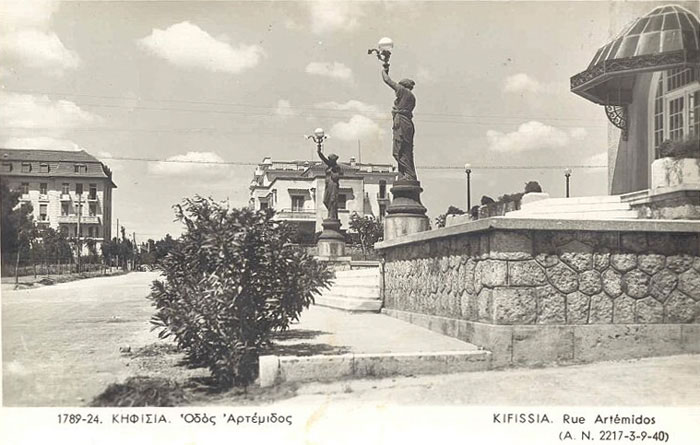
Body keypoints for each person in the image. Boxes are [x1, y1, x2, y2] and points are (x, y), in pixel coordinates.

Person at [382, 67, 417, 181]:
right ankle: (404, 175)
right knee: (406, 151)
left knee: (398, 150)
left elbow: (387, 80)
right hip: (407, 124)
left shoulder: (404, 92)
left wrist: (384, 69)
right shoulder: (412, 97)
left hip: (402, 123)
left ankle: (408, 174)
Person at [317, 147, 341, 220]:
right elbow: (323, 159)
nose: (329, 160)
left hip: (333, 184)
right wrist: (319, 151)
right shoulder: (329, 166)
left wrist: (333, 172)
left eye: (330, 159)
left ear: (333, 160)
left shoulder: (336, 167)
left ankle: (332, 216)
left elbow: (336, 177)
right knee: (325, 200)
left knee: (332, 200)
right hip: (328, 185)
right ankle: (330, 214)